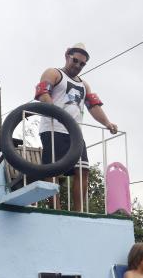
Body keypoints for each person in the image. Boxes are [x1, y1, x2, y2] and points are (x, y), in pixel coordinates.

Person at [35, 43, 118, 212]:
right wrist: (56, 112)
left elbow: (94, 106)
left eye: (82, 64)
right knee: (52, 170)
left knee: (82, 170)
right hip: (53, 128)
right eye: (75, 61)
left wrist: (108, 123)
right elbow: (43, 93)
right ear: (67, 55)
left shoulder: (84, 85)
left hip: (74, 133)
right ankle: (55, 210)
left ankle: (79, 211)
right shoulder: (54, 73)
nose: (78, 66)